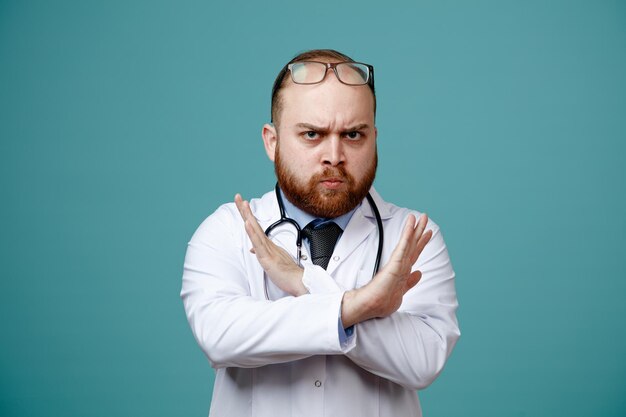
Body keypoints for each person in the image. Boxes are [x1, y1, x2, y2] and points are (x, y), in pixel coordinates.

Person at [180, 49, 460, 417]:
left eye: (353, 135)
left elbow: (423, 359)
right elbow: (221, 336)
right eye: (312, 134)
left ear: (374, 138)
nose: (334, 155)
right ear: (272, 141)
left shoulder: (414, 237)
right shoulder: (227, 230)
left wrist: (302, 281)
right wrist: (357, 306)